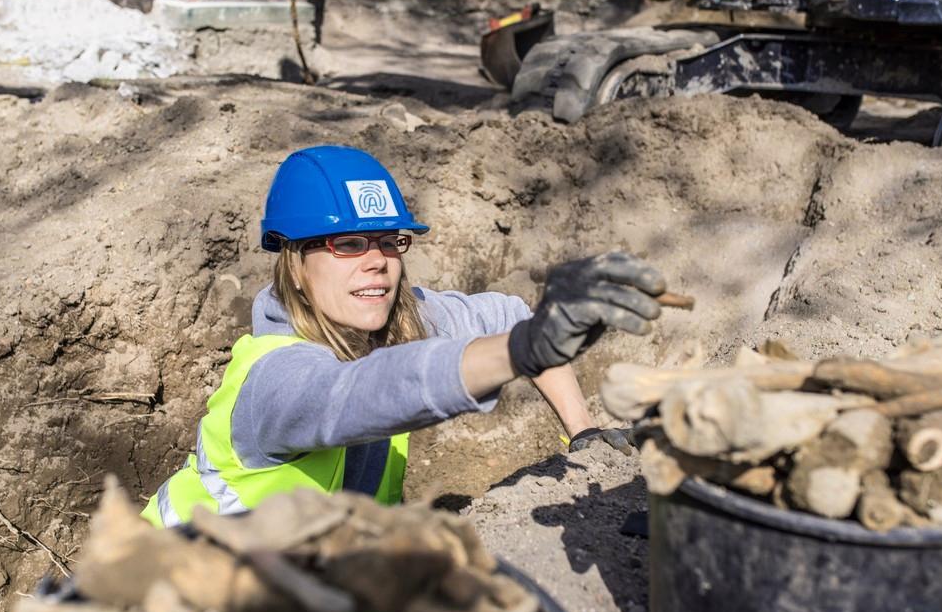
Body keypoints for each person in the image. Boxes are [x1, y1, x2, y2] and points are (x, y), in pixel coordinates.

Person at [141, 145, 666, 527]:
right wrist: (520, 352)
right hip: (165, 588)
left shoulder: (396, 318)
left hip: (293, 585)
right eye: (347, 243)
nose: (376, 261)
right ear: (296, 262)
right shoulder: (275, 378)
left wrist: (584, 435)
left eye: (389, 242)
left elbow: (511, 316)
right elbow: (361, 392)